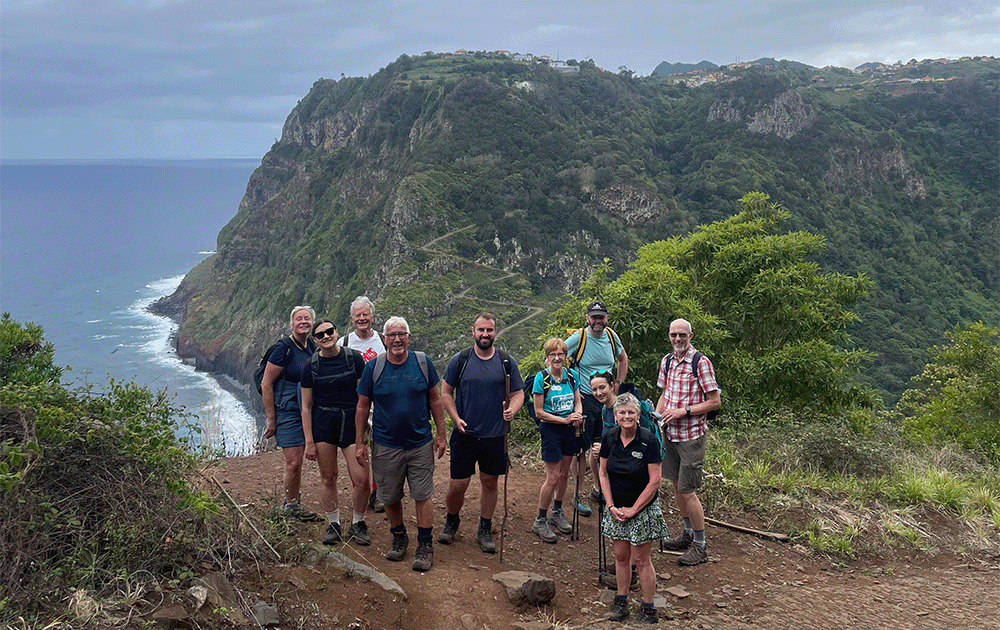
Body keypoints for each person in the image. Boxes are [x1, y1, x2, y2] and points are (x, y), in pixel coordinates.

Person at [355, 316, 447, 572]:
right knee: (389, 495)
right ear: (384, 339)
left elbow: (436, 400)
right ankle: (399, 536)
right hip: (385, 445)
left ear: (408, 337)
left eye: (401, 334)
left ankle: (425, 544)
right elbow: (362, 406)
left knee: (422, 494)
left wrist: (441, 434)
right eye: (391, 335)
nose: (397, 339)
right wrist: (359, 442)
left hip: (419, 443)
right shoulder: (373, 367)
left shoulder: (422, 362)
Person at [440, 313, 524, 553]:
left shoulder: (506, 362)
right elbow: (445, 392)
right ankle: (452, 519)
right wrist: (455, 418)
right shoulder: (461, 360)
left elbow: (518, 394)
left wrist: (513, 411)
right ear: (473, 332)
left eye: (489, 330)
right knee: (458, 484)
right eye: (481, 330)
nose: (485, 334)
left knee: (490, 481)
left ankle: (484, 527)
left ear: (495, 332)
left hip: (495, 434)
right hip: (465, 433)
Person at [598, 393, 670, 624]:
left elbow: (655, 480)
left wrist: (634, 509)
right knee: (620, 556)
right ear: (616, 416)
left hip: (643, 508)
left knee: (641, 558)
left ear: (639, 416)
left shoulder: (649, 440)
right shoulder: (609, 438)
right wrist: (610, 505)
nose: (626, 416)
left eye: (631, 412)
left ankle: (649, 608)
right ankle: (621, 602)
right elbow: (602, 472)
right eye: (622, 412)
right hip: (617, 507)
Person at [655, 318, 721, 566]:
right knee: (675, 484)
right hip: (670, 434)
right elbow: (665, 393)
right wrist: (658, 418)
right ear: (669, 336)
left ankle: (700, 545)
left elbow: (715, 402)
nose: (678, 339)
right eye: (674, 335)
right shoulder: (667, 361)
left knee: (688, 490)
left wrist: (685, 411)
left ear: (690, 336)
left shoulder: (700, 363)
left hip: (691, 435)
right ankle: (688, 533)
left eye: (682, 335)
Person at [300, 320, 369, 546]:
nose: (326, 336)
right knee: (328, 477)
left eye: (329, 331)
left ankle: (358, 523)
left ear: (337, 332)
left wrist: (364, 429)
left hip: (351, 421)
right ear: (315, 340)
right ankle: (334, 524)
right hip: (323, 423)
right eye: (320, 335)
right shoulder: (310, 366)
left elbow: (364, 397)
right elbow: (306, 406)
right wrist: (309, 440)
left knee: (361, 478)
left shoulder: (354, 358)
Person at [565, 300, 629, 515]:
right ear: (587, 318)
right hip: (586, 398)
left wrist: (618, 383)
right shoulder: (579, 337)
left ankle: (598, 488)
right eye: (594, 317)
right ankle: (578, 493)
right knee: (581, 448)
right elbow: (557, 356)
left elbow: (622, 358)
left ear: (606, 318)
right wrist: (568, 389)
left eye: (601, 316)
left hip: (609, 399)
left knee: (603, 444)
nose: (597, 320)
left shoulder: (611, 336)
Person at [261, 305, 321, 521]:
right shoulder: (283, 348)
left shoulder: (311, 346)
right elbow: (266, 384)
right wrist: (271, 418)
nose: (303, 322)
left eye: (307, 318)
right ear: (291, 323)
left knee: (300, 461)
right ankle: (290, 506)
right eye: (299, 319)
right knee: (293, 461)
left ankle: (293, 502)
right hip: (288, 410)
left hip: (307, 408)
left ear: (312, 323)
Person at [531, 337, 584, 543]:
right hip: (552, 430)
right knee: (552, 477)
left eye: (560, 354)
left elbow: (578, 402)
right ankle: (540, 518)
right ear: (547, 357)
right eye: (552, 354)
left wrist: (577, 415)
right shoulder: (541, 378)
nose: (556, 357)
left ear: (566, 356)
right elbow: (539, 412)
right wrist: (564, 420)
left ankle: (557, 510)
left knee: (564, 474)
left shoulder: (572, 376)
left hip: (570, 429)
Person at [340, 296, 388, 513]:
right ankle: (362, 490)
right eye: (358, 315)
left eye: (365, 314)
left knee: (380, 448)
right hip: (354, 403)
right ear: (352, 318)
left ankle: (377, 492)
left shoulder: (384, 340)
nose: (362, 318)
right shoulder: (344, 343)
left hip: (380, 402)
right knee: (358, 447)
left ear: (373, 317)